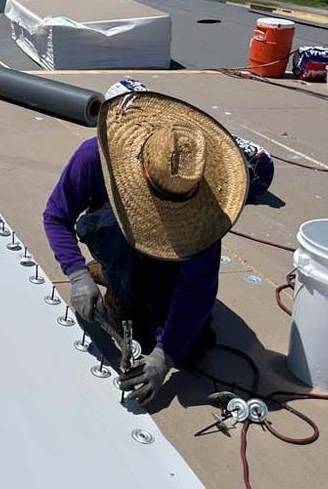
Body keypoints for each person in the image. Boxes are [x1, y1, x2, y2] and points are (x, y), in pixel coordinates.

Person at [43, 81, 263, 405]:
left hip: (172, 270)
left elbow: (197, 288)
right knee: (118, 237)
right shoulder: (93, 157)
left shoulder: (205, 214)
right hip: (119, 242)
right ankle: (113, 276)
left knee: (193, 349)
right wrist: (75, 274)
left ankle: (127, 280)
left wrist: (166, 355)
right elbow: (55, 216)